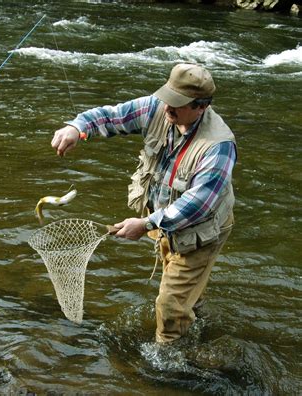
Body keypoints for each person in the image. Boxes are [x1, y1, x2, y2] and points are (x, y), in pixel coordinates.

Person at [51, 63, 236, 344]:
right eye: (168, 98)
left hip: (200, 233)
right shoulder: (157, 107)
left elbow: (198, 205)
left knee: (170, 306)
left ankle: (170, 362)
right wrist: (78, 128)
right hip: (163, 223)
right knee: (182, 291)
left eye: (177, 104)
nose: (167, 108)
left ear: (201, 107)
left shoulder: (218, 145)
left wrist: (146, 223)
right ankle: (198, 318)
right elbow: (111, 116)